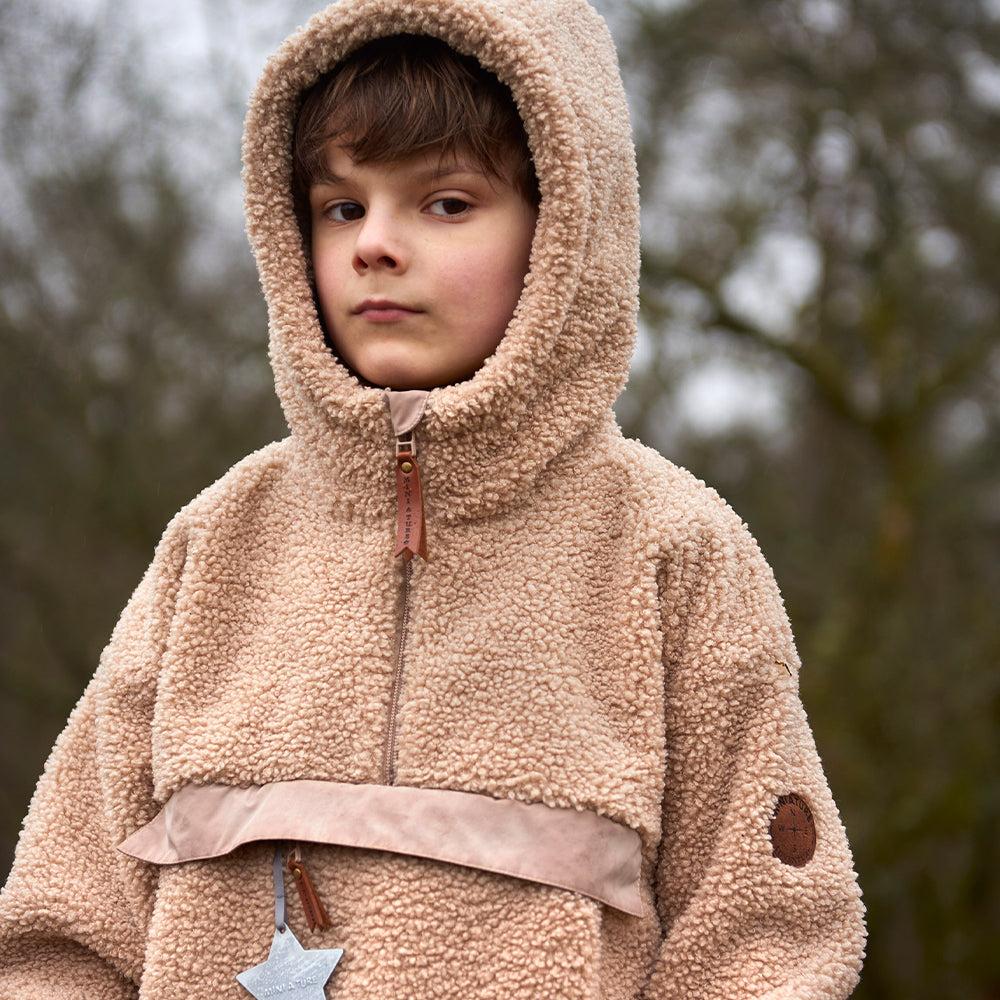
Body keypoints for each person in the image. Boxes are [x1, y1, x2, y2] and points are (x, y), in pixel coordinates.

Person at [0, 1, 868, 997]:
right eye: (341, 207)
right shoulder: (216, 542)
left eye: (445, 203)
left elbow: (767, 943)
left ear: (563, 229)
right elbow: (62, 937)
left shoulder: (671, 548)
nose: (375, 242)